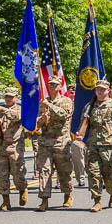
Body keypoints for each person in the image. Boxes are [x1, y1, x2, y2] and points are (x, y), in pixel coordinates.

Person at [75, 79, 112, 213]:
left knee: (109, 174)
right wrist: (80, 135)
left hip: (109, 146)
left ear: (108, 90)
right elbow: (84, 124)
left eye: (102, 89)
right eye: (97, 89)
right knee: (93, 173)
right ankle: (97, 200)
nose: (100, 91)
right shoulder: (89, 106)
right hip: (92, 145)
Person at [34, 76, 75, 211]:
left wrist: (50, 106)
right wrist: (42, 119)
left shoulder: (66, 101)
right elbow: (37, 122)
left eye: (54, 84)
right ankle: (44, 200)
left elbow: (64, 115)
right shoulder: (43, 102)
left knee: (64, 171)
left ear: (59, 86)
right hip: (45, 141)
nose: (52, 86)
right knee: (44, 171)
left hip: (60, 141)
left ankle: (67, 195)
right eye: (50, 84)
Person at [0, 87, 28, 211]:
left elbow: (17, 117)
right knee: (2, 175)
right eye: (6, 96)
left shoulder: (20, 109)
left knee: (18, 174)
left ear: (16, 98)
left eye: (11, 97)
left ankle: (22, 188)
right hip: (2, 148)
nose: (8, 99)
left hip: (15, 147)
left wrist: (2, 109)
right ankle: (5, 201)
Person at [65, 83, 86, 187]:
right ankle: (60, 181)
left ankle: (81, 177)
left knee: (78, 156)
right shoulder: (63, 103)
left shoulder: (81, 105)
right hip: (63, 135)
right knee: (62, 158)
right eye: (71, 92)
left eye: (75, 93)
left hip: (76, 135)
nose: (73, 95)